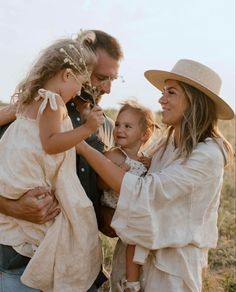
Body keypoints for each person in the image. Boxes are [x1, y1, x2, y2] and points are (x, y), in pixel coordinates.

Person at [75, 59, 234, 291]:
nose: (161, 99)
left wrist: (82, 147)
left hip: (170, 271)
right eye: (163, 92)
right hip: (134, 264)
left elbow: (145, 191)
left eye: (171, 93)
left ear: (194, 101)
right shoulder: (166, 144)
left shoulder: (208, 154)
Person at [0, 30, 123, 291]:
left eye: (113, 79)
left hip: (74, 262)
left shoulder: (105, 126)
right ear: (74, 69)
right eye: (100, 77)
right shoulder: (29, 110)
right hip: (21, 262)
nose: (107, 88)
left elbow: (93, 186)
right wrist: (11, 206)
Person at [98, 100, 155, 292]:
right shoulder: (113, 155)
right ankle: (129, 283)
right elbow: (98, 184)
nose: (120, 129)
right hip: (116, 210)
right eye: (117, 124)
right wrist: (115, 174)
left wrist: (150, 166)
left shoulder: (144, 159)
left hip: (133, 212)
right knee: (131, 242)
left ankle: (133, 280)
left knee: (135, 243)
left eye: (127, 126)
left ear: (145, 134)